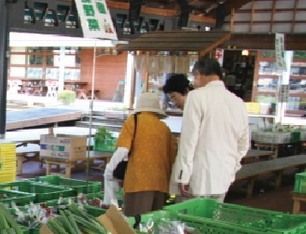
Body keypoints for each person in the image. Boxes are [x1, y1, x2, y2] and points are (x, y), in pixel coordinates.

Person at [172, 58, 250, 203]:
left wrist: (183, 175)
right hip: (224, 176)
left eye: (194, 78)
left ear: (199, 75)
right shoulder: (238, 102)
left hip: (199, 176)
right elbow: (243, 144)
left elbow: (189, 141)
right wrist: (232, 166)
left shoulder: (196, 96)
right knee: (211, 223)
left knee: (186, 222)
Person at [102, 93, 176, 221]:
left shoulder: (133, 121)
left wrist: (109, 170)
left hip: (138, 182)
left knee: (135, 224)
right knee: (153, 224)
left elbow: (123, 150)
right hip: (161, 184)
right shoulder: (165, 128)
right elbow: (172, 158)